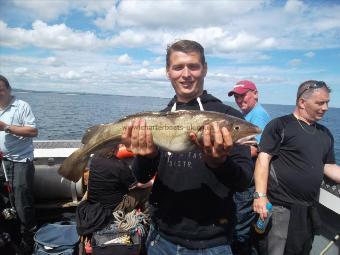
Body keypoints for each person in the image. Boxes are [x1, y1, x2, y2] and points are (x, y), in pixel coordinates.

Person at [122, 40, 253, 255]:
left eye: (193, 66)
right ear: (168, 72)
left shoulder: (229, 118)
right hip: (160, 237)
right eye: (178, 67)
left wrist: (220, 163)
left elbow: (243, 181)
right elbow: (142, 176)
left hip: (214, 243)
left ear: (205, 69)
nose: (186, 74)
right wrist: (147, 156)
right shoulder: (159, 118)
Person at [253, 80, 340, 255]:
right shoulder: (280, 125)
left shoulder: (325, 134)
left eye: (327, 102)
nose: (325, 108)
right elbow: (263, 159)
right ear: (302, 102)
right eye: (320, 102)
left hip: (308, 211)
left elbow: (328, 165)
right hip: (281, 209)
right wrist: (260, 196)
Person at [228, 80, 271, 254]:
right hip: (241, 179)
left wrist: (225, 151)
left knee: (239, 230)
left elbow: (256, 149)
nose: (239, 100)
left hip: (247, 184)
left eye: (243, 95)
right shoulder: (246, 115)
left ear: (255, 94)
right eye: (236, 96)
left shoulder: (258, 115)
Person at [76, 144, 151, 236]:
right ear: (116, 148)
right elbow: (137, 185)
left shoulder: (95, 158)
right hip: (113, 208)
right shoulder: (119, 165)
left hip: (95, 204)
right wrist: (152, 182)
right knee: (146, 190)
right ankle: (148, 222)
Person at [0, 74, 38, 253]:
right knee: (5, 202)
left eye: (1, 90)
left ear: (8, 90)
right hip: (2, 162)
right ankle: (11, 238)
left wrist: (6, 127)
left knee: (22, 203)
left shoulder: (22, 106)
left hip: (21, 161)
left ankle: (29, 241)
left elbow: (32, 131)